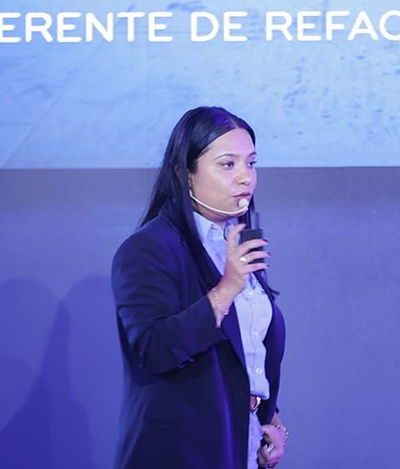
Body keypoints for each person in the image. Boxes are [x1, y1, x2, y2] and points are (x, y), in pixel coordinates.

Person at [111, 106, 287, 469]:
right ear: (184, 172)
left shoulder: (234, 241)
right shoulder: (149, 248)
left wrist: (268, 416)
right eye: (228, 164)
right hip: (181, 454)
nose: (245, 177)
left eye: (251, 163)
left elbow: (245, 349)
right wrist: (227, 289)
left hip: (241, 441)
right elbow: (155, 349)